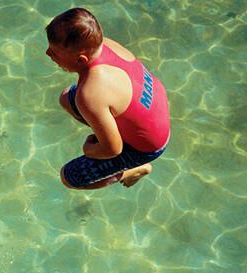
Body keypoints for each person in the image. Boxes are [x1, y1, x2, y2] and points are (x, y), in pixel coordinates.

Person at [45, 7, 171, 190]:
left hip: (147, 148)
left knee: (69, 177)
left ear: (81, 60)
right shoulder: (106, 44)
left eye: (54, 52)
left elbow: (113, 149)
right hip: (156, 111)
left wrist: (89, 149)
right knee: (66, 98)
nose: (47, 54)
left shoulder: (90, 94)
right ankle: (110, 131)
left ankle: (135, 170)